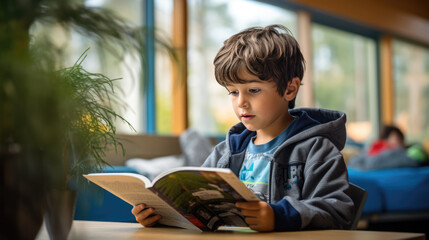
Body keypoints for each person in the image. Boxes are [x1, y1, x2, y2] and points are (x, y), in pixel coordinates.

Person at [131, 24, 354, 232]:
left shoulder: (317, 149)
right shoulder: (224, 152)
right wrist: (161, 217)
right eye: (234, 92)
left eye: (253, 90)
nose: (241, 103)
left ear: (290, 89)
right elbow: (197, 208)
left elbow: (337, 212)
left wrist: (278, 216)